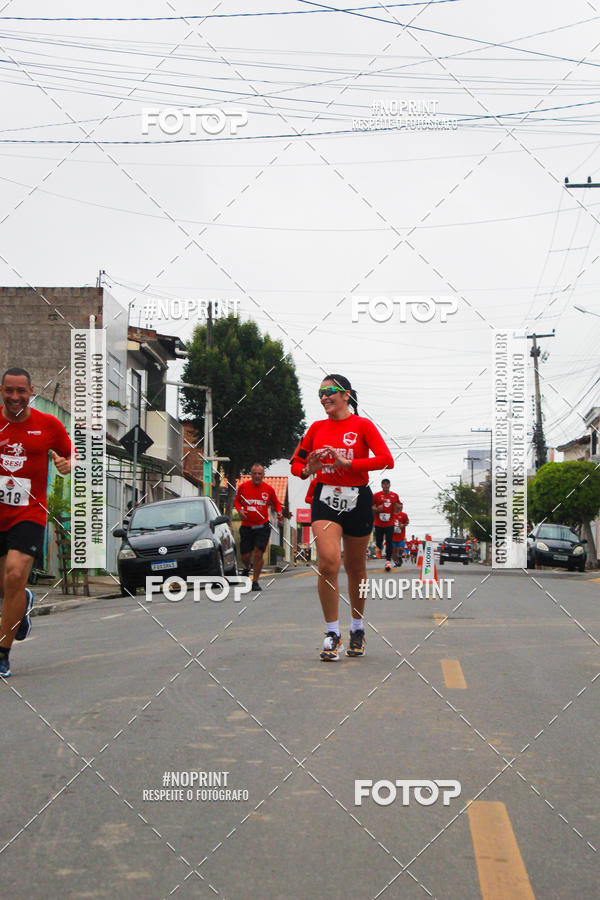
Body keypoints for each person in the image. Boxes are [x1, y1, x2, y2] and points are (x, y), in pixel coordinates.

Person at [291, 374, 393, 661]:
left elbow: (387, 459)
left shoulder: (362, 426)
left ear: (346, 395)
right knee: (328, 561)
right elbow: (297, 463)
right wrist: (307, 469)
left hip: (358, 498)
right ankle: (332, 632)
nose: (324, 397)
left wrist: (349, 462)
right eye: (320, 393)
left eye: (330, 392)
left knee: (356, 567)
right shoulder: (316, 428)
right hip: (325, 498)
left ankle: (357, 628)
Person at [0, 367, 72, 677]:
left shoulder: (48, 425)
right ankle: (22, 605)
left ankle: (2, 653)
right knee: (6, 587)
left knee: (15, 575)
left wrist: (65, 463)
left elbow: (70, 455)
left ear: (31, 392)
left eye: (21, 391)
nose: (15, 397)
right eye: (9, 391)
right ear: (2, 391)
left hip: (28, 513)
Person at [234, 463, 283, 591]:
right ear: (251, 475)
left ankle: (255, 581)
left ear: (263, 475)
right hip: (246, 527)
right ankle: (246, 567)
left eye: (259, 474)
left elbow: (277, 503)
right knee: (245, 556)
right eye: (254, 473)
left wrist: (279, 513)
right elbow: (237, 501)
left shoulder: (269, 489)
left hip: (262, 527)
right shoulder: (243, 487)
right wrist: (239, 511)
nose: (257, 476)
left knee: (258, 554)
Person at [372, 479, 401, 572]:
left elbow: (399, 507)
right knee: (379, 541)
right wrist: (377, 509)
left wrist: (398, 507)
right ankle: (379, 549)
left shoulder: (395, 496)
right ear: (381, 485)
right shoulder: (376, 495)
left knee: (389, 541)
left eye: (387, 484)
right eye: (384, 484)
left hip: (390, 523)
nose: (385, 486)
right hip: (378, 523)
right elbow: (371, 506)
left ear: (390, 485)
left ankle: (388, 561)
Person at [391, 502, 410, 567]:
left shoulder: (404, 515)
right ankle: (396, 562)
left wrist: (403, 525)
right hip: (392, 536)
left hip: (401, 536)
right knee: (393, 551)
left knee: (401, 549)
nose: (401, 508)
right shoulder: (391, 514)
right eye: (399, 507)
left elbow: (407, 522)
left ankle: (399, 557)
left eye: (402, 507)